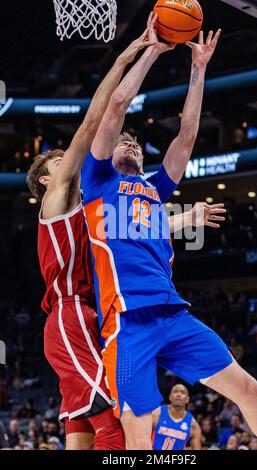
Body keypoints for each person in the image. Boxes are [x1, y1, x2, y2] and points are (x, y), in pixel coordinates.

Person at [80, 11, 257, 450]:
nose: (130, 141)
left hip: (173, 314)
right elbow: (116, 107)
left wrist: (198, 68)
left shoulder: (155, 191)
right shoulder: (98, 181)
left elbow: (188, 133)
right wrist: (152, 52)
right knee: (141, 435)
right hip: (128, 322)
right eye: (125, 140)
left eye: (137, 143)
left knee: (250, 389)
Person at [26, 28, 155, 450]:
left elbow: (137, 229)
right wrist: (123, 59)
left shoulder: (90, 210)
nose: (69, 163)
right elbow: (94, 123)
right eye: (61, 162)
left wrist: (188, 216)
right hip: (69, 315)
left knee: (81, 429)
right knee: (113, 421)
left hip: (91, 315)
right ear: (46, 180)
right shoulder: (57, 200)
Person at [152, 384, 201, 450]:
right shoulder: (156, 413)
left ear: (187, 399)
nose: (179, 395)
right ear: (170, 397)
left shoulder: (193, 425)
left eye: (182, 392)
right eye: (175, 391)